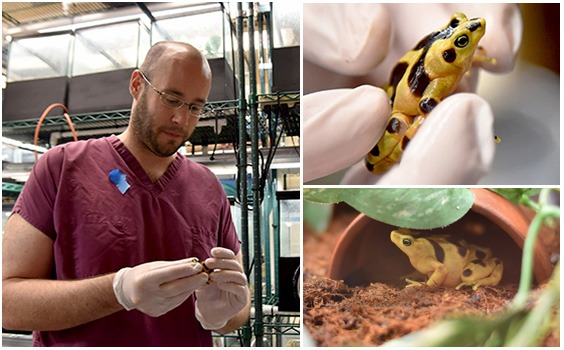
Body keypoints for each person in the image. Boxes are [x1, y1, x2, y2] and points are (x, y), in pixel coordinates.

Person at [2, 41, 251, 346]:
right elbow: (8, 302)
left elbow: (240, 304)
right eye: (171, 99)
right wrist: (119, 291)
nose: (181, 120)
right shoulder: (63, 167)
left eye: (195, 107)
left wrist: (219, 315)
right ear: (137, 85)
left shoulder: (208, 187)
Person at [302, 4, 523, 185]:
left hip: (397, 87)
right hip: (401, 113)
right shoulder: (443, 76)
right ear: (448, 53)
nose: (479, 24)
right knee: (398, 124)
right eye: (462, 41)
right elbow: (427, 104)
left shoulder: (449, 65)